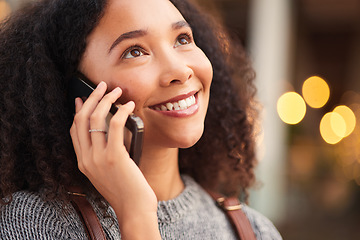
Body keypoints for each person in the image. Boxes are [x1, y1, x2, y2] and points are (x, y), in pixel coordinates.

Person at [0, 0, 282, 239]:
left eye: (182, 39)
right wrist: (135, 214)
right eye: (135, 51)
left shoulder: (254, 231)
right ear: (78, 91)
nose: (180, 71)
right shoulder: (34, 223)